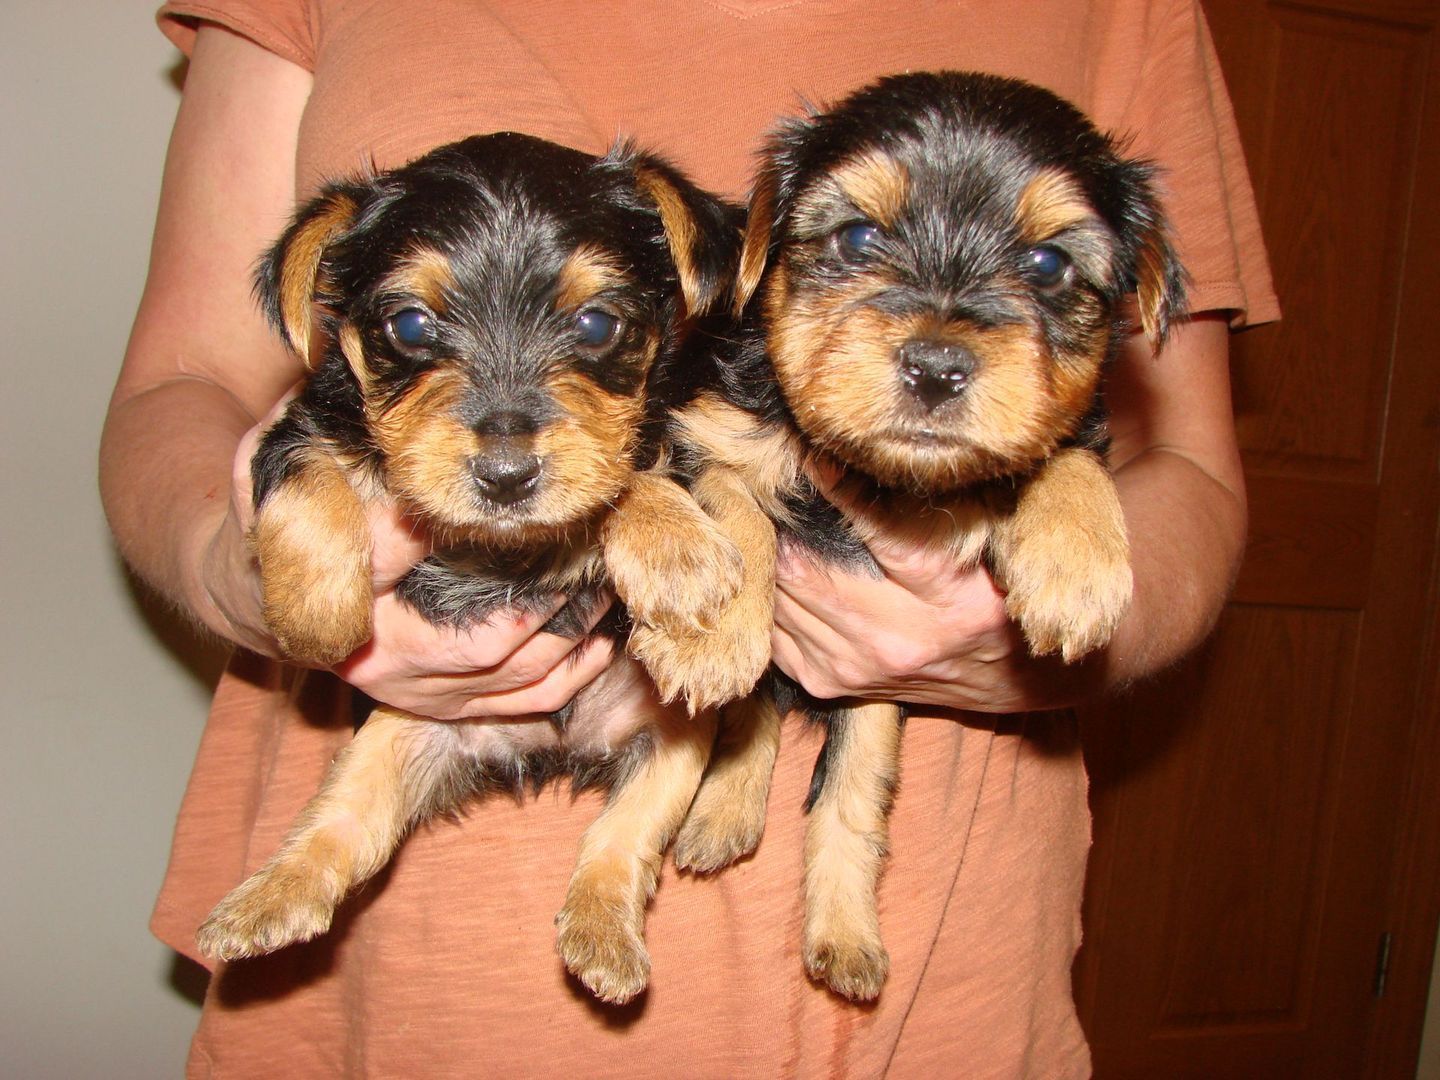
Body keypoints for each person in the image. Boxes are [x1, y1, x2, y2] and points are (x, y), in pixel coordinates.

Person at [100, 1, 1278, 1075]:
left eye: (1046, 261)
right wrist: (241, 569)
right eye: (851, 242)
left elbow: (1186, 466)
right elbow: (180, 381)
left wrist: (1068, 633)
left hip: (937, 951)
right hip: (391, 952)